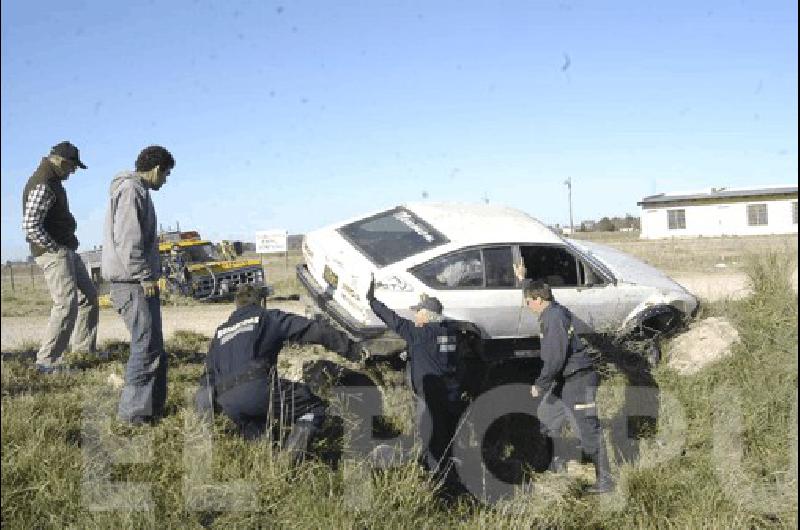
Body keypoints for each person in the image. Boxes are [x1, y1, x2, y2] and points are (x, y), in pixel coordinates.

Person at [195, 284, 365, 462]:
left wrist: (205, 419)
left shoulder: (220, 332)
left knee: (266, 445)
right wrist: (354, 351)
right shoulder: (266, 317)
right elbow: (314, 330)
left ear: (237, 306)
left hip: (227, 402)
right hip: (257, 390)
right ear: (261, 302)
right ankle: (289, 461)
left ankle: (270, 470)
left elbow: (207, 377)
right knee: (314, 408)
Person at [515, 261, 614, 494]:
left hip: (578, 380)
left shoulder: (553, 319)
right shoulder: (552, 307)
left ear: (538, 301)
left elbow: (555, 359)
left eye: (528, 302)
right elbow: (537, 290)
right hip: (565, 381)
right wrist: (523, 280)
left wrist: (540, 385)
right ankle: (556, 464)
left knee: (588, 430)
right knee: (547, 416)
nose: (527, 306)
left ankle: (605, 481)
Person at [365, 276, 465, 486]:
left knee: (429, 439)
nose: (415, 315)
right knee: (447, 438)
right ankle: (451, 474)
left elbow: (393, 320)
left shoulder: (419, 334)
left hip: (431, 397)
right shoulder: (451, 333)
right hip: (453, 396)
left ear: (426, 316)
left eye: (417, 312)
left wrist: (372, 300)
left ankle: (436, 480)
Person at [101, 145, 175, 425]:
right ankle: (132, 418)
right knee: (144, 347)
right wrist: (144, 276)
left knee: (153, 346)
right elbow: (128, 241)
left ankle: (153, 410)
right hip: (132, 283)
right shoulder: (132, 190)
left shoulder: (137, 191)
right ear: (156, 169)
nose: (165, 181)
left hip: (138, 281)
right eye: (166, 174)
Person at [22, 141, 102, 373]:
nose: (73, 171)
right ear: (61, 161)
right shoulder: (43, 183)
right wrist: (54, 248)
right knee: (66, 304)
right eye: (72, 166)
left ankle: (83, 349)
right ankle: (47, 361)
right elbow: (30, 226)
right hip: (54, 252)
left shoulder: (52, 181)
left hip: (65, 249)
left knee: (88, 296)